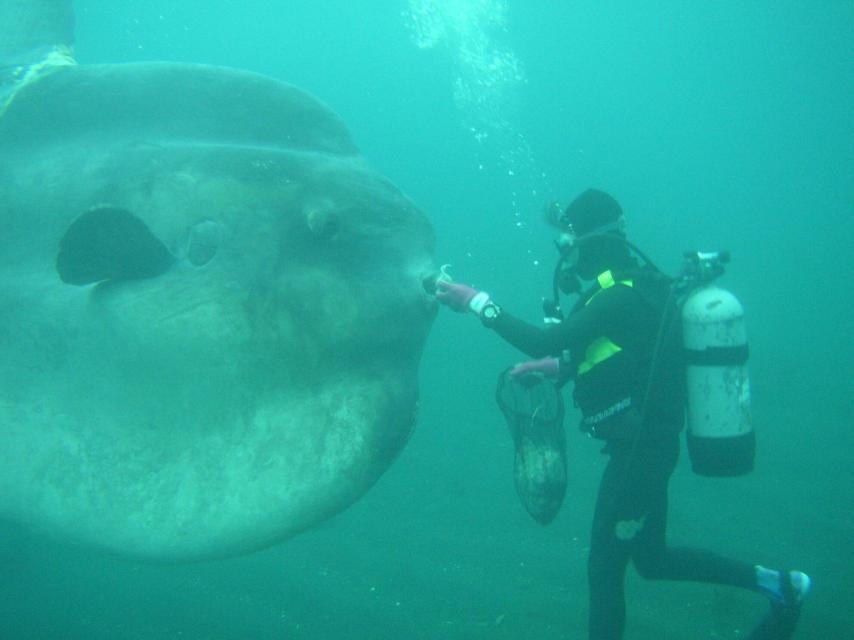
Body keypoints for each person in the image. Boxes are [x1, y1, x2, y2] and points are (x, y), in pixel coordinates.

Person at [435, 188, 811, 640]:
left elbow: (541, 339)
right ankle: (782, 586)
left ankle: (782, 585)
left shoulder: (618, 295)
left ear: (588, 241)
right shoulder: (639, 286)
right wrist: (558, 369)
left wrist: (476, 301)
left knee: (604, 569)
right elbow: (632, 357)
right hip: (650, 446)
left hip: (639, 455)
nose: (565, 257)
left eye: (567, 244)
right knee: (651, 560)